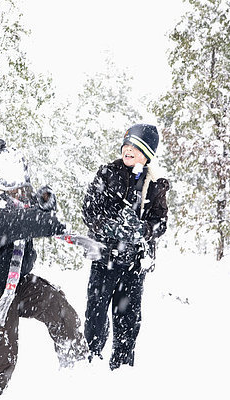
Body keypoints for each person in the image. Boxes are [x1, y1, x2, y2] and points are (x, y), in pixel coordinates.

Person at [0, 138, 88, 399]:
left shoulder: (17, 198)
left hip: (16, 283)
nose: (20, 191)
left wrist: (42, 207)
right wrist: (39, 219)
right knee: (3, 356)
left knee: (61, 311)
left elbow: (24, 226)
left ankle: (79, 374)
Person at [82, 124, 169, 370]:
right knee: (96, 317)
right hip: (105, 257)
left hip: (135, 262)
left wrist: (143, 230)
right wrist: (111, 227)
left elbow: (161, 222)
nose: (129, 151)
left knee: (128, 321)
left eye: (136, 147)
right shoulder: (108, 173)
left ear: (148, 153)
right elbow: (89, 211)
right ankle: (91, 361)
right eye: (126, 146)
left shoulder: (156, 183)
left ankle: (121, 369)